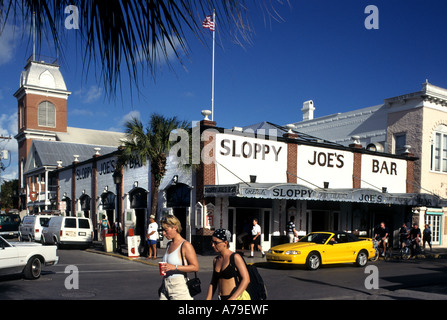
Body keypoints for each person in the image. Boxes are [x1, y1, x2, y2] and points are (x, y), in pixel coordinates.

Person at [159, 215, 199, 300]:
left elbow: (195, 267)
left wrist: (175, 267)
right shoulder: (169, 244)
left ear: (175, 228)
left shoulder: (185, 245)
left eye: (166, 230)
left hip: (178, 287)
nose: (163, 233)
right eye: (162, 230)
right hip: (165, 285)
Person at [206, 229, 250, 300]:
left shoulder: (235, 257)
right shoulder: (216, 260)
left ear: (225, 243)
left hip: (234, 298)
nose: (212, 245)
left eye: (215, 242)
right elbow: (213, 282)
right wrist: (208, 298)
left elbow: (246, 279)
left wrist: (232, 298)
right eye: (212, 242)